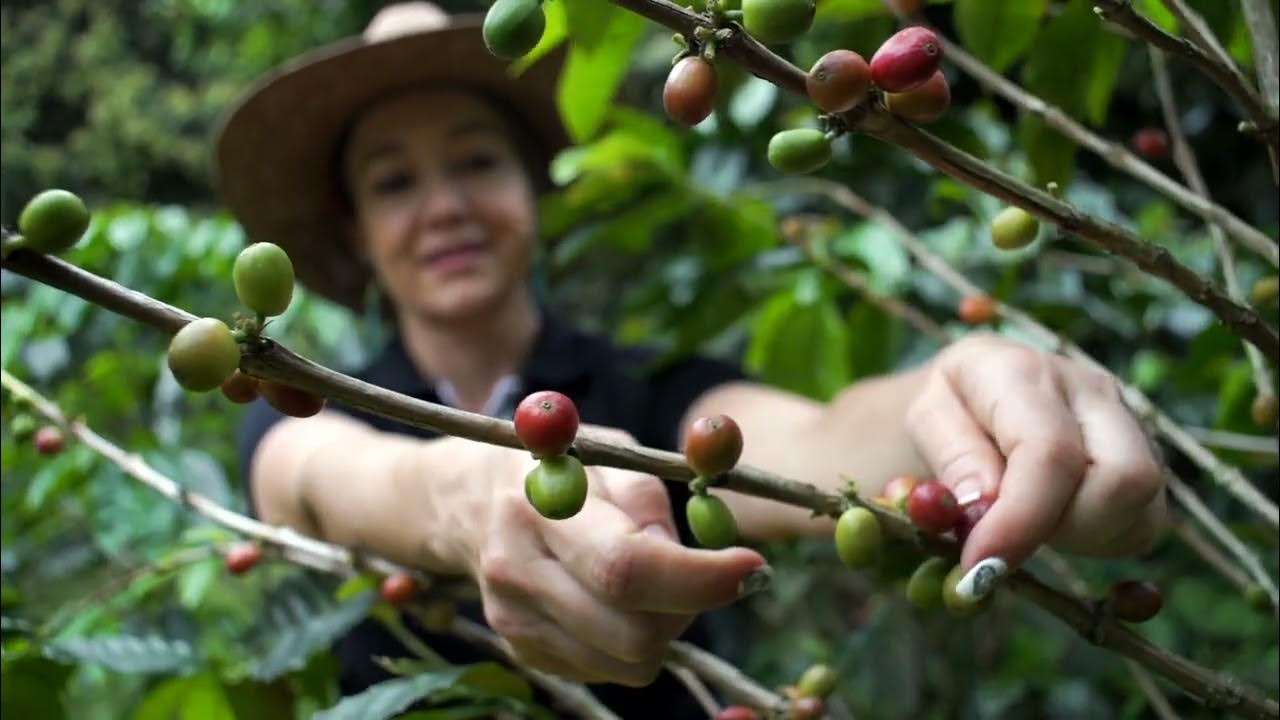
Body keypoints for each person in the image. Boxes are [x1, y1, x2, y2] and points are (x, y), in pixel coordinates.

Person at [212, 3, 1168, 717]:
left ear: (532, 190)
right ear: (356, 231)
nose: (445, 206)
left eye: (475, 161)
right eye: (394, 182)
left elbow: (820, 441)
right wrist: (472, 492)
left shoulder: (650, 392)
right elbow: (334, 482)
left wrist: (960, 389)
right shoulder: (300, 402)